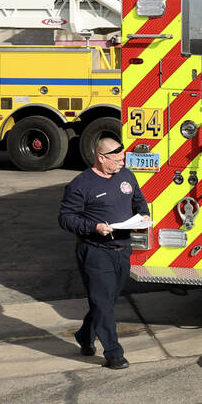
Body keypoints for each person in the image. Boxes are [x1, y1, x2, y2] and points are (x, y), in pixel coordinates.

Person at [58, 135, 148, 369]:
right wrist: (93, 227)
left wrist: (143, 215)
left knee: (105, 301)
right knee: (103, 303)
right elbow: (66, 218)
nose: (122, 163)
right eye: (117, 159)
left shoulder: (126, 175)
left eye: (122, 158)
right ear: (101, 157)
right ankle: (114, 353)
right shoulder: (81, 184)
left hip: (122, 250)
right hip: (95, 251)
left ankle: (85, 335)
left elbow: (138, 200)